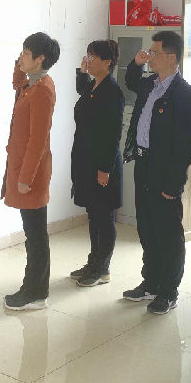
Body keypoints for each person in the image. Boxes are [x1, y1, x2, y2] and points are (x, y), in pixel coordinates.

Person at [121, 30, 191, 315]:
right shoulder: (150, 84)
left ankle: (168, 291)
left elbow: (184, 146)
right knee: (147, 227)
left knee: (167, 233)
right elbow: (130, 81)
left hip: (164, 170)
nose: (150, 57)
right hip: (143, 163)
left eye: (154, 53)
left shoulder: (184, 95)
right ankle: (150, 282)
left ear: (171, 57)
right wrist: (136, 63)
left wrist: (174, 183)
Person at [1, 32, 60, 311]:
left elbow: (38, 140)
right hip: (23, 167)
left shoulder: (43, 90)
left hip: (32, 174)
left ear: (40, 59)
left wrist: (25, 178)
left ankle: (36, 292)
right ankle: (33, 287)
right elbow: (16, 82)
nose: (21, 57)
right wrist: (19, 64)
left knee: (36, 235)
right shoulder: (31, 83)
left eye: (26, 53)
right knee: (33, 233)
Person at [69, 39, 125, 287]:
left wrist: (104, 169)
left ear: (107, 62)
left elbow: (112, 134)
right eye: (88, 55)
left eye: (93, 57)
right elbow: (83, 94)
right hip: (86, 161)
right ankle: (93, 262)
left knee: (104, 217)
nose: (88, 60)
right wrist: (82, 73)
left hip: (103, 165)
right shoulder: (94, 86)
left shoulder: (112, 92)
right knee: (94, 215)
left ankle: (102, 268)